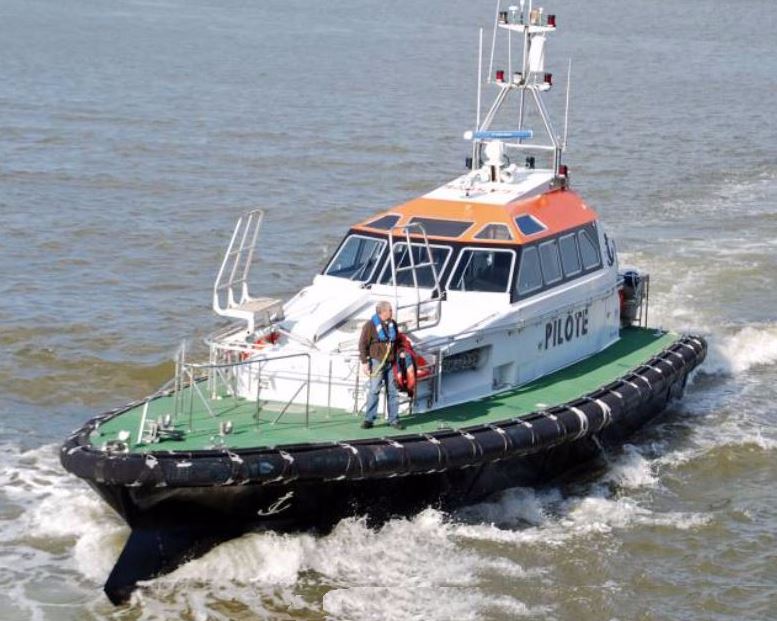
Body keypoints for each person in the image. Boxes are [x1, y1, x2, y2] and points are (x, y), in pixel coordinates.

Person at [358, 301, 405, 430]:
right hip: (377, 361)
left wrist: (401, 352)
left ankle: (394, 419)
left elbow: (399, 343)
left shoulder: (392, 324)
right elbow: (362, 344)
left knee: (393, 391)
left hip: (391, 362)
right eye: (390, 310)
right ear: (382, 312)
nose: (392, 312)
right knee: (374, 390)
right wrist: (365, 362)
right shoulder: (370, 325)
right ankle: (369, 419)